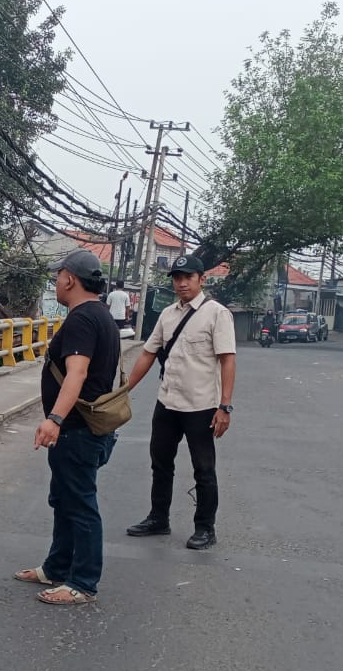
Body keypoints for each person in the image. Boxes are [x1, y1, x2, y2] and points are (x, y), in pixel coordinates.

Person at [13, 250, 121, 605]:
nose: (56, 282)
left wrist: (54, 419)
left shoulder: (81, 320)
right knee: (64, 499)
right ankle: (57, 567)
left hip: (77, 428)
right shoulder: (101, 316)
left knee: (80, 504)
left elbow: (77, 372)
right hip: (86, 427)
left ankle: (83, 582)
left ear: (70, 279)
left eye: (58, 276)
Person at [124, 251, 236, 550]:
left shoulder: (217, 314)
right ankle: (158, 519)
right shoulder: (168, 315)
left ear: (202, 279)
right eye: (177, 278)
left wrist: (224, 406)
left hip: (201, 406)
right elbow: (148, 353)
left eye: (188, 278)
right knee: (160, 463)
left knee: (203, 469)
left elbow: (227, 360)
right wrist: (124, 390)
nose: (182, 283)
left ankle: (205, 528)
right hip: (167, 402)